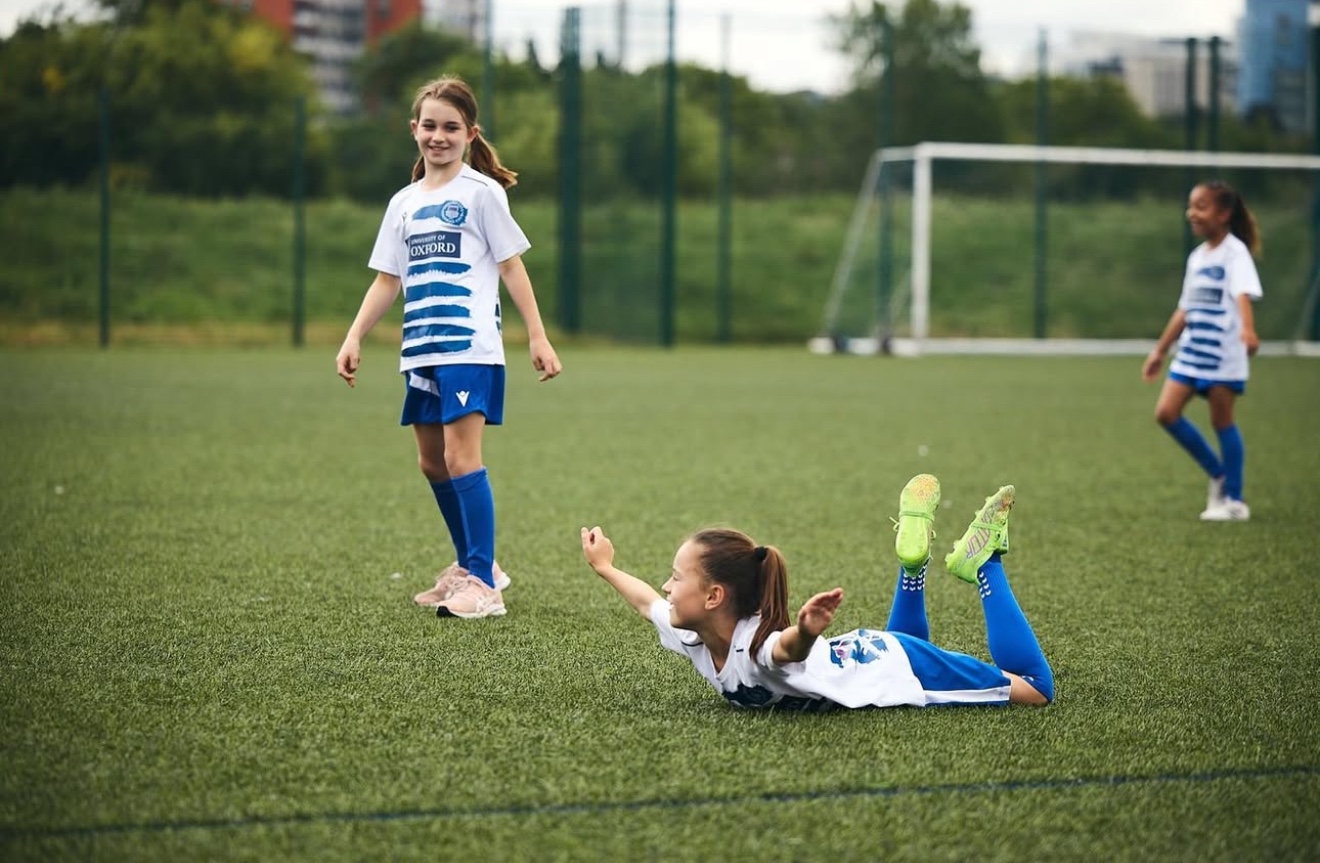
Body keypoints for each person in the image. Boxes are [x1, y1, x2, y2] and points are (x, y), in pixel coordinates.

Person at [336, 77, 562, 619]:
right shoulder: (403, 203)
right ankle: (471, 565)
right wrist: (353, 335)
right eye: (430, 126)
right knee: (432, 462)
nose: (439, 136)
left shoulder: (482, 194)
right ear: (414, 130)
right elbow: (387, 279)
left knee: (462, 457)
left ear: (470, 134)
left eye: (451, 128)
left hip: (470, 347)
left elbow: (511, 265)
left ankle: (484, 585)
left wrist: (537, 334)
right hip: (420, 350)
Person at [579, 474, 1054, 710]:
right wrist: (606, 567)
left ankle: (984, 563)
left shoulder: (755, 646)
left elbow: (784, 650)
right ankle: (912, 565)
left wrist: (804, 630)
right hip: (879, 654)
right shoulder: (696, 636)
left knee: (1035, 689)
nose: (666, 585)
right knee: (909, 650)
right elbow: (647, 603)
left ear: (714, 597)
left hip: (892, 658)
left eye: (676, 577)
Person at [1142, 180, 1263, 522]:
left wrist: (1249, 330)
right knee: (1166, 413)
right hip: (1192, 352)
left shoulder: (1235, 253)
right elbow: (1184, 309)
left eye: (1201, 207)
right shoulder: (1197, 257)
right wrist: (1160, 351)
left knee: (1222, 420)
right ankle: (1218, 474)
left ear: (1224, 214)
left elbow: (1242, 293)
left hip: (1223, 354)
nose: (1191, 213)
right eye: (1191, 206)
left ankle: (1235, 501)